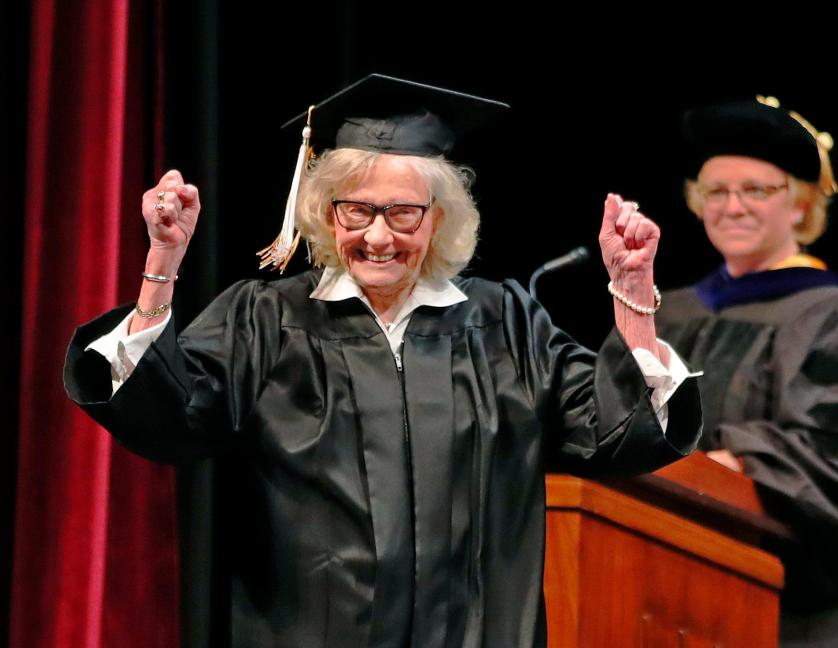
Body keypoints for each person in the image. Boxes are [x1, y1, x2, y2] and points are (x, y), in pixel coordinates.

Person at [64, 74, 701, 647]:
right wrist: (161, 269)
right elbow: (169, 415)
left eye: (402, 213)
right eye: (358, 210)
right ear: (325, 211)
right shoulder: (265, 319)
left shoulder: (504, 322)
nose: (376, 236)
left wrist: (634, 302)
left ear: (440, 218)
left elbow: (614, 433)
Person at [655, 96, 838, 647]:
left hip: (807, 617)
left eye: (756, 190)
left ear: (801, 205)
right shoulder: (670, 311)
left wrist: (738, 463)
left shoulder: (832, 318)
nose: (732, 207)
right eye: (716, 191)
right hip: (673, 588)